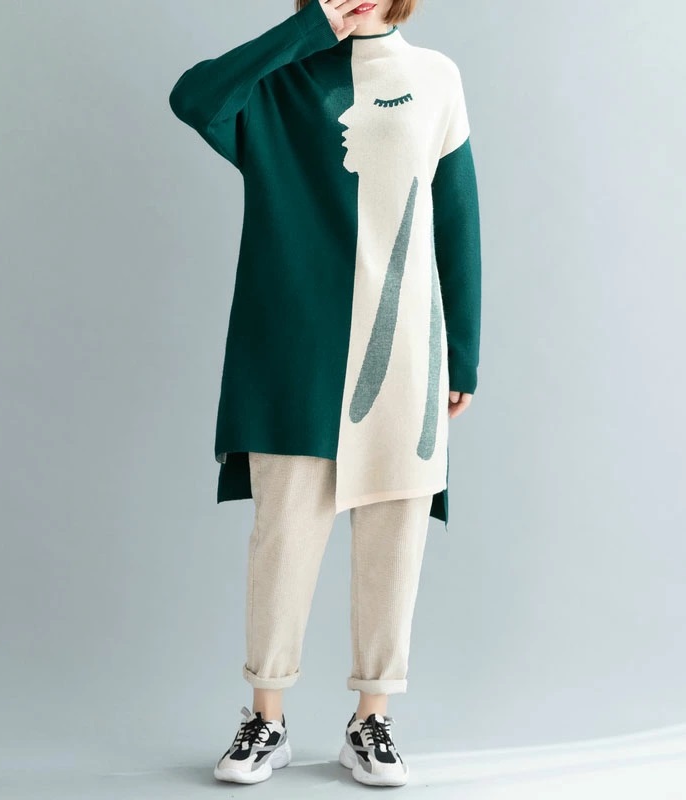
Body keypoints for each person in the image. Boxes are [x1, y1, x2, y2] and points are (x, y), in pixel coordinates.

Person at [168, 0, 481, 787]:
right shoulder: (280, 80)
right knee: (284, 537)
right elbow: (195, 98)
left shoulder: (436, 77)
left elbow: (457, 216)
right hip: (294, 349)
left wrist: (463, 356)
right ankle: (266, 720)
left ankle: (372, 718)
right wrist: (309, 29)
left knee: (393, 540)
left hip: (405, 350)